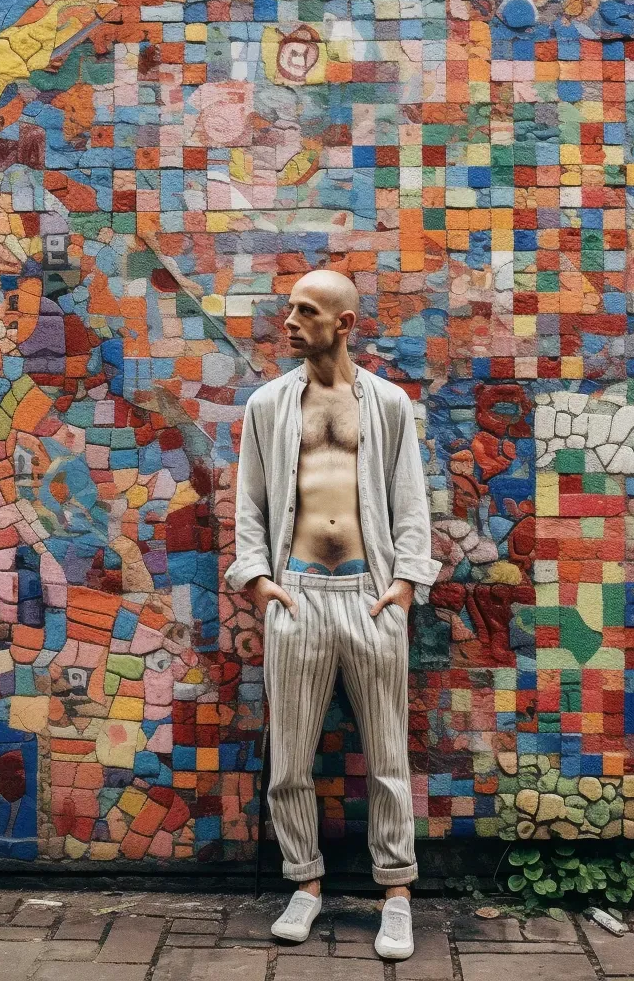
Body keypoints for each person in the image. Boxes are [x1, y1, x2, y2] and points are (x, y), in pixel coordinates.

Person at [224, 269, 442, 961]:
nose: (288, 320)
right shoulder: (266, 405)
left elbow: (411, 503)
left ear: (344, 323)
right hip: (297, 596)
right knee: (289, 757)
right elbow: (250, 503)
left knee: (387, 756)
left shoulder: (386, 404)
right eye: (288, 307)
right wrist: (259, 583)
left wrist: (406, 584)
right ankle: (306, 883)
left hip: (370, 597)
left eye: (305, 311)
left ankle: (397, 894)